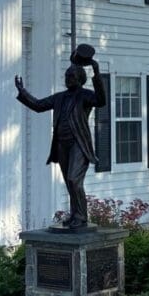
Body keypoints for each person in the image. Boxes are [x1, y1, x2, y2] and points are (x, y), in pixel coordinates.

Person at [15, 49, 107, 229]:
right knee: (69, 182)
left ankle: (81, 217)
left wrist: (96, 72)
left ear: (80, 78)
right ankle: (76, 217)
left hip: (78, 144)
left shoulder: (85, 95)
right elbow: (38, 105)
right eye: (66, 76)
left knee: (74, 179)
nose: (68, 79)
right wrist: (22, 91)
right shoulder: (60, 97)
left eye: (71, 76)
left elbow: (101, 100)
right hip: (62, 145)